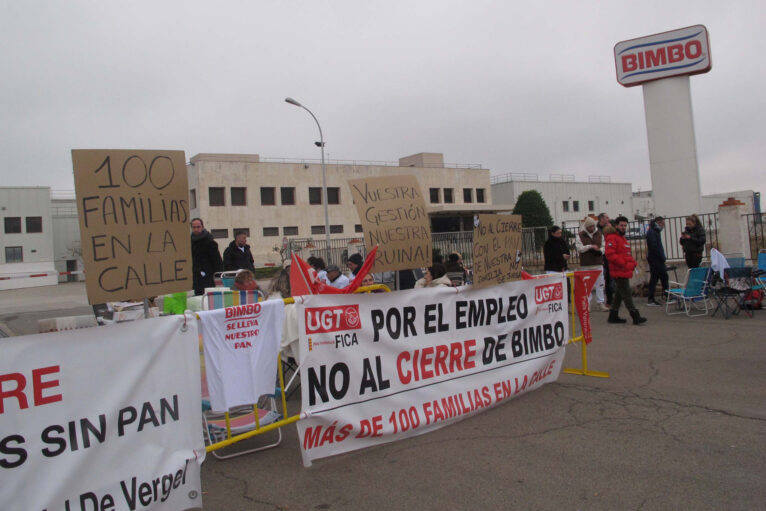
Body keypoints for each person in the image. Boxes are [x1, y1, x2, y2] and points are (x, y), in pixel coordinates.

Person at [605, 216, 646, 325]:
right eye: (621, 225)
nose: (623, 227)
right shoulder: (612, 237)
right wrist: (623, 263)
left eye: (625, 225)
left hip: (623, 269)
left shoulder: (622, 238)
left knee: (619, 293)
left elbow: (626, 254)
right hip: (620, 269)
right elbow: (610, 254)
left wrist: (632, 263)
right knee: (627, 293)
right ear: (616, 226)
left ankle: (613, 315)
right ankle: (635, 315)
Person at [576, 216, 608, 311]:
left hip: (598, 263)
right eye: (589, 227)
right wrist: (590, 247)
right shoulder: (580, 235)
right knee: (586, 286)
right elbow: (579, 248)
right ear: (586, 227)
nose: (592, 228)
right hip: (586, 264)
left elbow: (604, 246)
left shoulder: (599, 234)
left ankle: (600, 302)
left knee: (600, 284)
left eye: (593, 226)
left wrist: (600, 251)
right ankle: (587, 304)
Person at [190, 218, 223, 295]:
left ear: (202, 227)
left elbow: (217, 261)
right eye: (194, 227)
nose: (196, 229)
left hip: (208, 278)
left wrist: (218, 277)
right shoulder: (190, 241)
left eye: (198, 227)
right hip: (196, 277)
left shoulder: (209, 241)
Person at [646, 216, 669, 306]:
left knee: (662, 277)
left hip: (656, 258)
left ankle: (666, 296)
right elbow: (654, 246)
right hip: (656, 259)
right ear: (658, 223)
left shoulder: (654, 231)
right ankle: (651, 299)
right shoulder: (652, 232)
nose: (663, 226)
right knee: (657, 278)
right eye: (662, 224)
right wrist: (661, 256)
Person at [598, 213, 614, 306]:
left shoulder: (608, 228)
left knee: (609, 279)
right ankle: (602, 301)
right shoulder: (598, 230)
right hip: (602, 257)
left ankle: (610, 300)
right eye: (607, 217)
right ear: (602, 219)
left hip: (609, 257)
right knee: (602, 280)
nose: (608, 219)